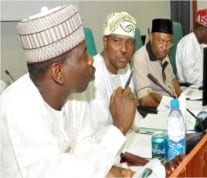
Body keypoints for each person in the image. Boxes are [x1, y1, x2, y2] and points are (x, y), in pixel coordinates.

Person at [0, 5, 137, 177]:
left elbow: (85, 147)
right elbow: (55, 173)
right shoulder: (19, 108)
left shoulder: (75, 93)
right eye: (84, 55)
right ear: (58, 72)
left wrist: (105, 170)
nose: (91, 60)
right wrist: (118, 128)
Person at [86, 11, 142, 140]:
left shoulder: (125, 67)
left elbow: (133, 115)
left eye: (130, 42)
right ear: (105, 41)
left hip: (128, 139)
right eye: (117, 41)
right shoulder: (93, 75)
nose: (124, 49)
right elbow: (99, 133)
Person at [132, 18, 181, 108]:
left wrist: (181, 98)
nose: (165, 47)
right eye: (161, 41)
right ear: (151, 37)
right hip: (157, 109)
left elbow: (173, 80)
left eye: (168, 42)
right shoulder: (140, 57)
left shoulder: (163, 53)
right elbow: (144, 99)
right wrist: (171, 104)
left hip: (172, 103)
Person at [176, 9, 207, 87]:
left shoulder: (206, 42)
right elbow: (190, 77)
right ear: (200, 29)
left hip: (204, 86)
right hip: (190, 90)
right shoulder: (187, 43)